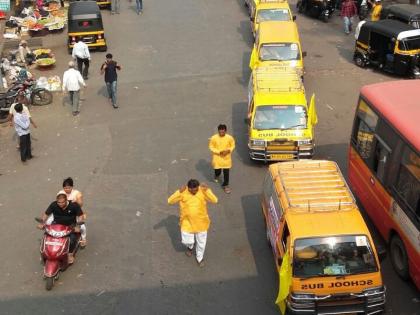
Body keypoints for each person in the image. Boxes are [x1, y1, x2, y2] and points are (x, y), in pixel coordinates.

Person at [168, 179, 218, 267]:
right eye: (192, 190)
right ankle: (190, 246)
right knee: (187, 241)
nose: (194, 192)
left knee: (201, 243)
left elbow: (214, 200)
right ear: (189, 188)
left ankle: (200, 258)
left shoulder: (202, 191)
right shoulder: (183, 192)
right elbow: (170, 201)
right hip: (187, 223)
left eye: (196, 190)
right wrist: (178, 191)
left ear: (198, 187)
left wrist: (207, 190)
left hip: (201, 223)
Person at [40, 193, 84, 264]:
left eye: (62, 202)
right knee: (47, 236)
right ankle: (46, 251)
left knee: (72, 239)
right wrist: (42, 223)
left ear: (66, 200)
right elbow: (46, 214)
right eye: (59, 202)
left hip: (70, 226)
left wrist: (78, 226)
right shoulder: (53, 205)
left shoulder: (74, 205)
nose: (60, 204)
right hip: (56, 225)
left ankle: (70, 254)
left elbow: (81, 216)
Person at [58, 177, 87, 247]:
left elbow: (81, 204)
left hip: (75, 213)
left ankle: (83, 239)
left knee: (82, 226)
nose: (67, 189)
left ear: (72, 187)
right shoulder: (60, 193)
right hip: (63, 212)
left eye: (68, 188)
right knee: (49, 221)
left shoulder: (77, 193)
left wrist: (76, 201)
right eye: (65, 188)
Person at [208, 124, 236, 194]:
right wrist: (219, 152)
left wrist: (229, 150)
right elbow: (211, 147)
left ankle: (226, 185)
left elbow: (233, 145)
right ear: (218, 131)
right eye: (220, 132)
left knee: (226, 172)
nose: (221, 133)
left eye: (223, 132)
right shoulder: (214, 138)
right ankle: (217, 175)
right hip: (217, 158)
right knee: (218, 171)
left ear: (225, 131)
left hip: (226, 158)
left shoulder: (230, 138)